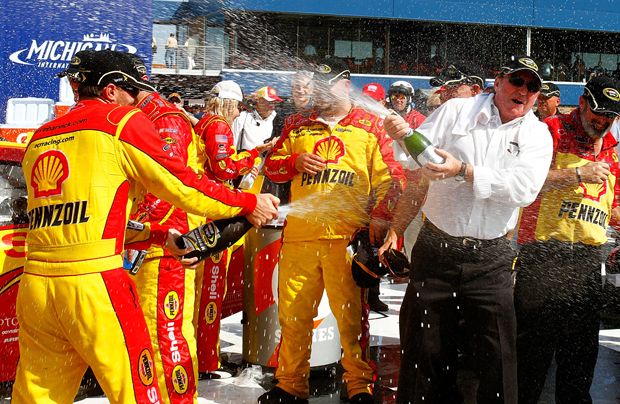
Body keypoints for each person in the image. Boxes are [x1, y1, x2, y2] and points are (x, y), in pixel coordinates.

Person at [12, 49, 279, 404]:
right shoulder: (119, 122)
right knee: (140, 393)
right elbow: (182, 184)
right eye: (133, 92)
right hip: (96, 286)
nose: (138, 101)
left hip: (36, 288)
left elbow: (79, 220)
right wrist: (249, 202)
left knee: (36, 397)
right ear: (111, 90)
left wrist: (154, 235)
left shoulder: (41, 135)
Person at [380, 55, 553, 404]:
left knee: (497, 361)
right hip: (435, 251)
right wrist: (402, 138)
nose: (524, 91)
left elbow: (524, 189)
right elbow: (415, 157)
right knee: (422, 355)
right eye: (517, 81)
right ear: (499, 80)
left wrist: (464, 171)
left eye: (532, 87)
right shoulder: (457, 110)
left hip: (491, 262)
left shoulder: (538, 134)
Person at [259, 58, 405, 404]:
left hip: (347, 240)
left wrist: (382, 220)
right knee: (293, 316)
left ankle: (358, 386)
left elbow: (392, 178)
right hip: (300, 238)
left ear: (346, 84)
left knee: (351, 320)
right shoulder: (296, 124)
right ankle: (290, 384)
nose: (321, 95)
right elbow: (272, 166)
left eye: (329, 87)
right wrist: (294, 162)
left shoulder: (372, 125)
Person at [514, 75, 620, 404]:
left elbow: (614, 205)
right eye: (596, 115)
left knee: (580, 360)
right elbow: (522, 181)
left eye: (609, 119)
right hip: (542, 256)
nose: (601, 123)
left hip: (588, 263)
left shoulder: (614, 153)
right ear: (583, 102)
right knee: (531, 358)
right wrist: (576, 174)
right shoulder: (550, 131)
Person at [121, 52, 204, 404]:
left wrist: (131, 232)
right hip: (150, 242)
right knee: (147, 336)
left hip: (166, 246)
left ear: (124, 88)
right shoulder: (141, 116)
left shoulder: (164, 120)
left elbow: (166, 185)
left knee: (165, 337)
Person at [193, 80, 267, 378]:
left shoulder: (204, 123)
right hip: (213, 216)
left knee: (200, 293)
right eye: (237, 106)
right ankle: (207, 359)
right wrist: (253, 155)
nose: (239, 112)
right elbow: (224, 168)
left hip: (201, 213)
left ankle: (200, 354)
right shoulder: (219, 126)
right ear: (227, 103)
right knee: (211, 290)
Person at [233, 86, 283, 151]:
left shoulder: (278, 120)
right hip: (246, 159)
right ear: (258, 101)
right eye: (269, 102)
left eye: (274, 102)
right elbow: (233, 144)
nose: (272, 106)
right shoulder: (242, 117)